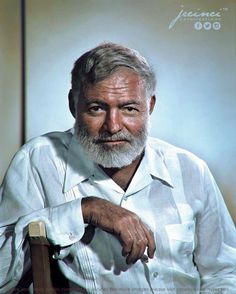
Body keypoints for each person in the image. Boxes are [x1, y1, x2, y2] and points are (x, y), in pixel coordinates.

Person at [0, 43, 236, 294]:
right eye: (96, 108)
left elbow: (225, 272)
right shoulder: (38, 161)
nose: (112, 127)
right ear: (73, 105)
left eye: (129, 109)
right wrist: (84, 209)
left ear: (150, 106)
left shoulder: (191, 169)